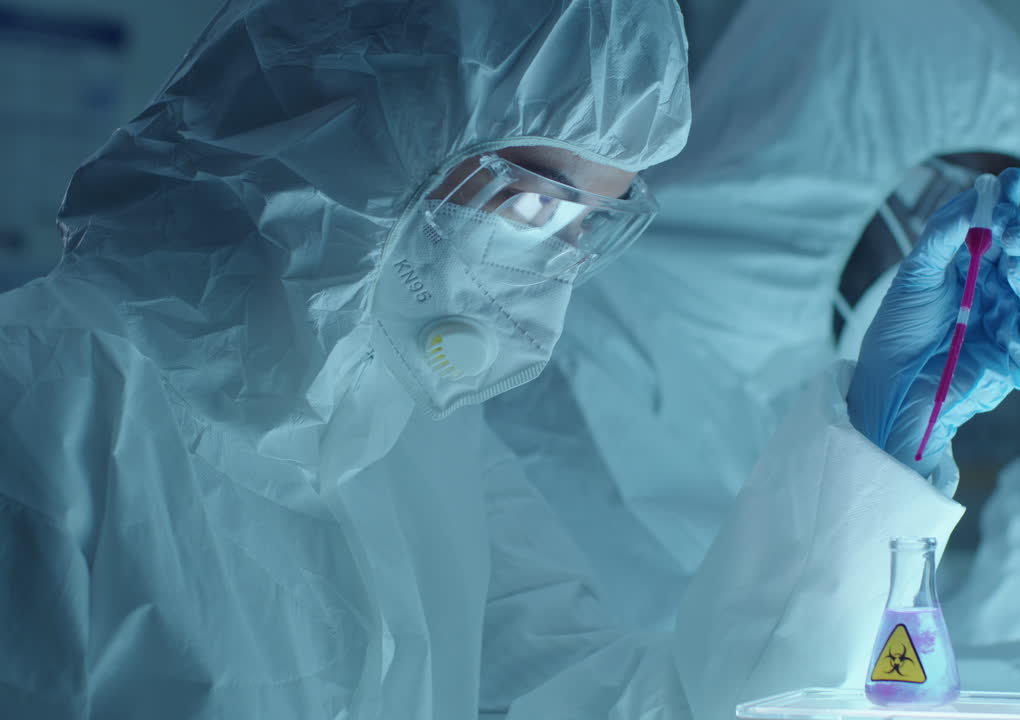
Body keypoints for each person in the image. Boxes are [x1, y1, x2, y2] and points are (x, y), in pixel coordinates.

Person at [0, 0, 696, 716]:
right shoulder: (41, 396)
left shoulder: (414, 427)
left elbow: (575, 683)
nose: (546, 280)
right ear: (355, 121)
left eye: (583, 227)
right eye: (531, 209)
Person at [487, 0, 1020, 655]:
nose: (965, 254)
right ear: (806, 151)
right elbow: (688, 671)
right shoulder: (548, 353)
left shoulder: (802, 384)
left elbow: (928, 655)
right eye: (948, 206)